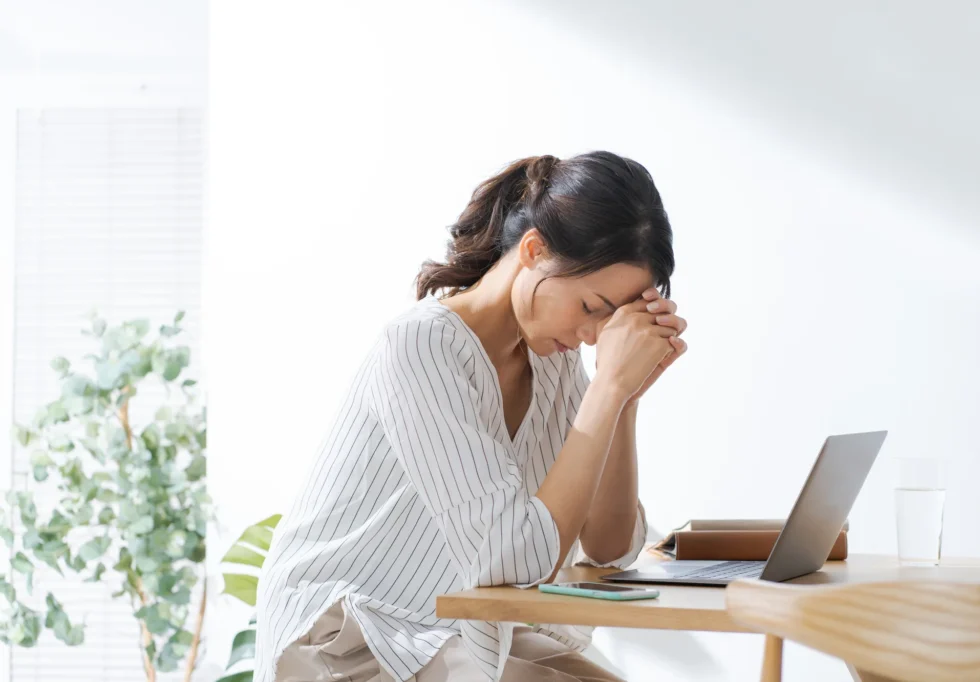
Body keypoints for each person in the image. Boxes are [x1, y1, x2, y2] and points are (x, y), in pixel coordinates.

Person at [254, 151, 688, 682]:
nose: (595, 335)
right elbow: (511, 559)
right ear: (534, 250)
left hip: (451, 625)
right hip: (350, 632)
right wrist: (608, 387)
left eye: (614, 319)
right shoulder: (420, 345)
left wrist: (624, 396)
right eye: (592, 306)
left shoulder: (554, 360)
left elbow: (609, 551)